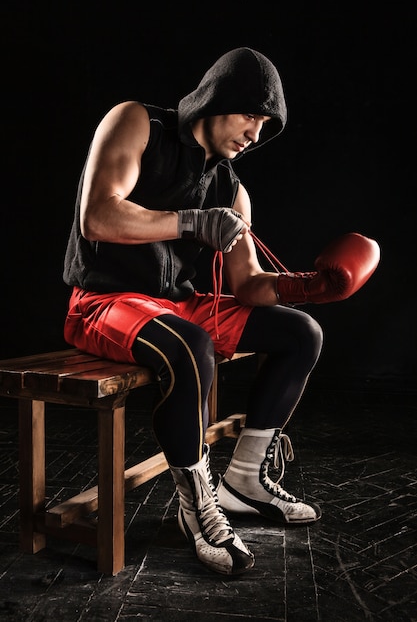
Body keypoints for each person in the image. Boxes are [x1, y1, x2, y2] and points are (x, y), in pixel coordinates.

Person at [63, 47, 379, 576]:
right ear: (219, 100)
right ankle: (196, 507)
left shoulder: (232, 189)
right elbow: (98, 216)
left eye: (266, 124)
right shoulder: (135, 122)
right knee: (191, 343)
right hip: (103, 301)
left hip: (180, 304)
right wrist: (190, 222)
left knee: (301, 332)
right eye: (252, 115)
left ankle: (245, 480)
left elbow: (247, 285)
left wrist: (314, 287)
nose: (256, 135)